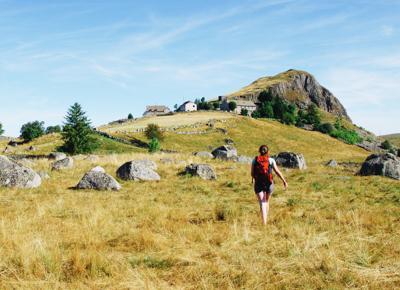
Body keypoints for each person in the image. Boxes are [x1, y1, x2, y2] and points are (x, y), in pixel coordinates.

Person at [251, 145, 288, 225]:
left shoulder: (255, 160)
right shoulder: (271, 160)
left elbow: (252, 173)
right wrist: (284, 181)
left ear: (259, 151)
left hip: (258, 183)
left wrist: (255, 179)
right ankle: (265, 220)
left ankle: (264, 222)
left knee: (262, 202)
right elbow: (277, 172)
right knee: (266, 201)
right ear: (268, 152)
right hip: (269, 183)